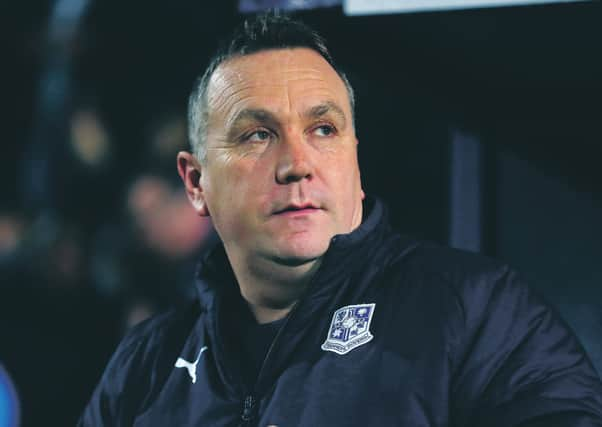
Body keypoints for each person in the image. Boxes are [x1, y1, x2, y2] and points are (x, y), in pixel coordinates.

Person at [79, 12, 602, 426]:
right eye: (257, 135)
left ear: (355, 158)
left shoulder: (476, 311)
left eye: (323, 129)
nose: (297, 164)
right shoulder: (145, 365)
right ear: (197, 184)